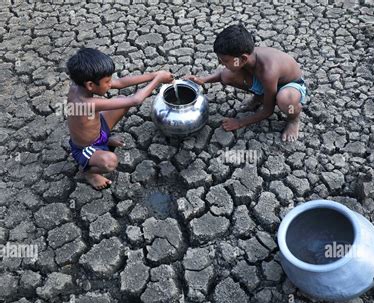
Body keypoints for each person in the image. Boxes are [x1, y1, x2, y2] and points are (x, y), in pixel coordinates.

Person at [65, 48, 173, 189]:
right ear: (90, 85)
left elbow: (120, 83)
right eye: (107, 81)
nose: (111, 84)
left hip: (98, 130)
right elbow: (136, 100)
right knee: (110, 161)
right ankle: (89, 172)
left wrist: (154, 74)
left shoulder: (79, 85)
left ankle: (105, 140)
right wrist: (158, 80)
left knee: (121, 100)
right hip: (87, 147)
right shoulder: (85, 104)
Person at [186, 24, 307, 142]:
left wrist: (239, 123)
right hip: (266, 84)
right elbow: (223, 74)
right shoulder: (244, 58)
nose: (220, 63)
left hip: (290, 86)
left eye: (225, 60)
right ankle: (259, 97)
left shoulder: (268, 71)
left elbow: (267, 111)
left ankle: (293, 118)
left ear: (243, 58)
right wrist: (203, 80)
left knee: (286, 101)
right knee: (228, 75)